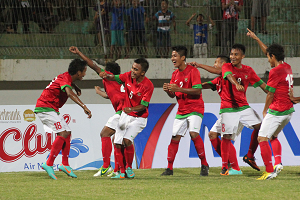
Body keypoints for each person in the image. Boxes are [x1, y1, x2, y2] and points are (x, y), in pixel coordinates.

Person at [190, 55, 262, 173]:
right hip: (227, 112)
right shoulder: (218, 80)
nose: (214, 65)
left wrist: (199, 65)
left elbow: (219, 70)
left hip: (237, 111)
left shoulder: (230, 75)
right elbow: (205, 85)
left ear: (224, 65)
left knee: (226, 137)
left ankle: (235, 168)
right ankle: (229, 162)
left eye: (216, 62)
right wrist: (186, 87)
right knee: (213, 134)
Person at [69, 46, 126, 177]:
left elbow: (92, 65)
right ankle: (119, 169)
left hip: (123, 112)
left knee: (105, 134)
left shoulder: (111, 78)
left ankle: (107, 166)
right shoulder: (116, 82)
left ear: (110, 72)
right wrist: (99, 92)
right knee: (117, 141)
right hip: (125, 112)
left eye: (105, 71)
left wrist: (79, 52)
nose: (102, 72)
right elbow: (110, 96)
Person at [247, 29, 294, 180]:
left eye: (268, 57)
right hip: (288, 111)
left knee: (262, 138)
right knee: (273, 136)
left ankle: (268, 171)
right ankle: (278, 163)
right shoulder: (287, 66)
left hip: (277, 110)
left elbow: (270, 93)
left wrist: (265, 110)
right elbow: (269, 52)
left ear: (273, 57)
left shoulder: (274, 72)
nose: (267, 59)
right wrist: (256, 39)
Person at [35, 59, 92, 180]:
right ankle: (49, 163)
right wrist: (84, 106)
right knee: (63, 133)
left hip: (50, 108)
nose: (84, 74)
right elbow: (69, 93)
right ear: (78, 72)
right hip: (45, 108)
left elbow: (67, 83)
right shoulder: (66, 80)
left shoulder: (66, 77)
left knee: (67, 132)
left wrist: (75, 86)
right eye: (84, 72)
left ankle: (65, 164)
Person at [217, 43, 268, 175]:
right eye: (231, 54)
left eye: (236, 54)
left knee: (260, 127)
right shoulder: (226, 66)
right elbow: (229, 75)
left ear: (242, 56)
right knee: (226, 136)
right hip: (228, 108)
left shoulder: (248, 70)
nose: (232, 57)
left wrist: (276, 92)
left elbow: (264, 86)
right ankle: (224, 167)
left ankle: (249, 155)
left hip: (243, 107)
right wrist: (236, 84)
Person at [99, 58, 154, 179]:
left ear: (142, 73)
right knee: (117, 142)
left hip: (139, 118)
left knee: (127, 141)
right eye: (132, 68)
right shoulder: (128, 76)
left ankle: (129, 168)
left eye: (136, 69)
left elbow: (144, 106)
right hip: (125, 115)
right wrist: (106, 75)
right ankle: (122, 172)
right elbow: (114, 78)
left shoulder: (148, 85)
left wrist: (132, 109)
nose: (132, 71)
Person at [161, 46, 209, 176]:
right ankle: (169, 168)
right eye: (172, 56)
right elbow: (173, 94)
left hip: (195, 108)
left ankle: (204, 164)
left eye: (175, 56)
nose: (172, 58)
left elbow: (198, 91)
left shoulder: (193, 71)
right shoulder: (174, 74)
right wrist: (168, 91)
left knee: (194, 134)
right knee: (175, 137)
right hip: (181, 110)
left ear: (183, 58)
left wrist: (179, 89)